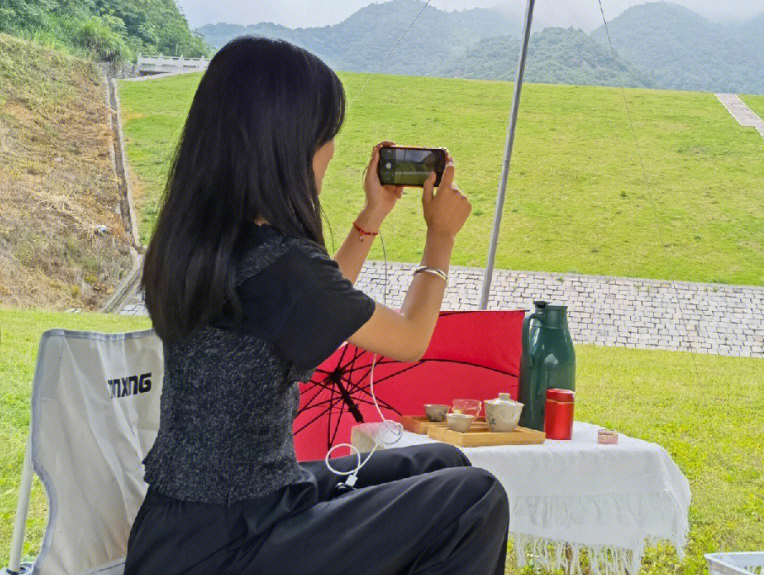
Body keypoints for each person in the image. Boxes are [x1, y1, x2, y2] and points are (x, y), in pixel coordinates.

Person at [126, 37, 509, 575]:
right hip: (238, 542)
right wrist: (440, 236)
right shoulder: (280, 264)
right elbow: (411, 338)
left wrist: (371, 217)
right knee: (475, 499)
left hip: (179, 533)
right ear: (286, 144)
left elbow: (315, 309)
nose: (331, 151)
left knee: (441, 461)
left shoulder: (197, 244)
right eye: (326, 136)